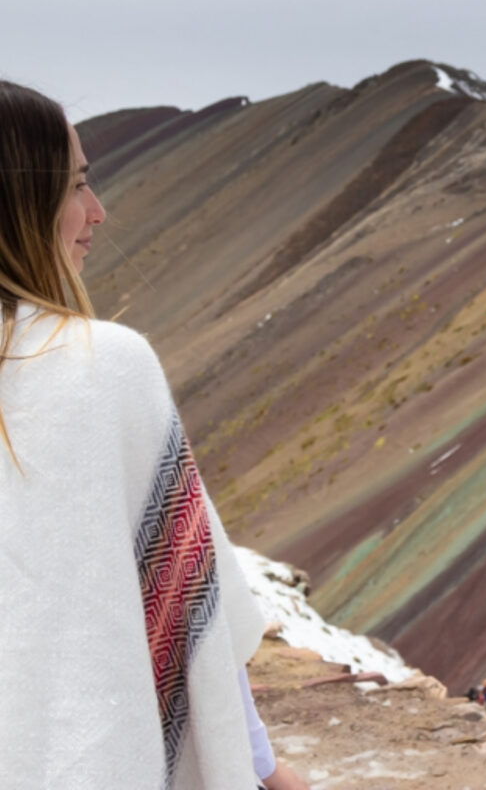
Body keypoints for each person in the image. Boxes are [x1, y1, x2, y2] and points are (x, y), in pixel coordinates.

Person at [0, 80, 309, 790]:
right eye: (75, 186)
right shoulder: (101, 368)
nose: (96, 213)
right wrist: (260, 766)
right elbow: (185, 607)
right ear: (17, 205)